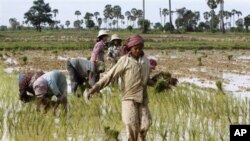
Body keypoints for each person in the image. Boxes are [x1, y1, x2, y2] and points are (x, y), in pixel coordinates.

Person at [87, 35, 153, 141]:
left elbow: (147, 79)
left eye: (140, 48)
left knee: (146, 123)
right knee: (131, 125)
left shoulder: (145, 61)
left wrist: (161, 82)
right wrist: (94, 88)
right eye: (136, 48)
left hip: (143, 98)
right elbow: (110, 76)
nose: (138, 50)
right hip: (128, 98)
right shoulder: (124, 61)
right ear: (130, 48)